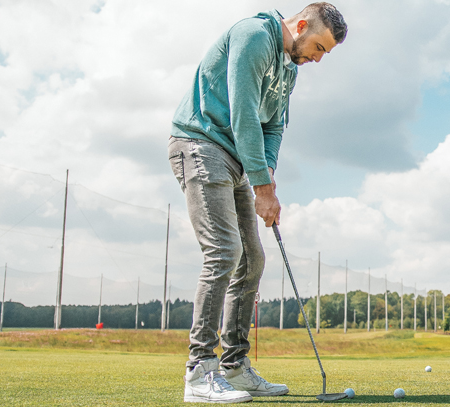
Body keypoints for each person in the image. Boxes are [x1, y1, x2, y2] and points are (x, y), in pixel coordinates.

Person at [167, 3, 346, 403]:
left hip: (235, 159)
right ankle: (199, 372)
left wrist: (266, 176)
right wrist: (262, 188)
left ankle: (234, 365)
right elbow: (244, 111)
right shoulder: (254, 36)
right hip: (200, 144)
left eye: (324, 53)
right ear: (301, 25)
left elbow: (273, 126)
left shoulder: (289, 68)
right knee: (224, 253)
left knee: (252, 261)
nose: (317, 58)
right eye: (318, 46)